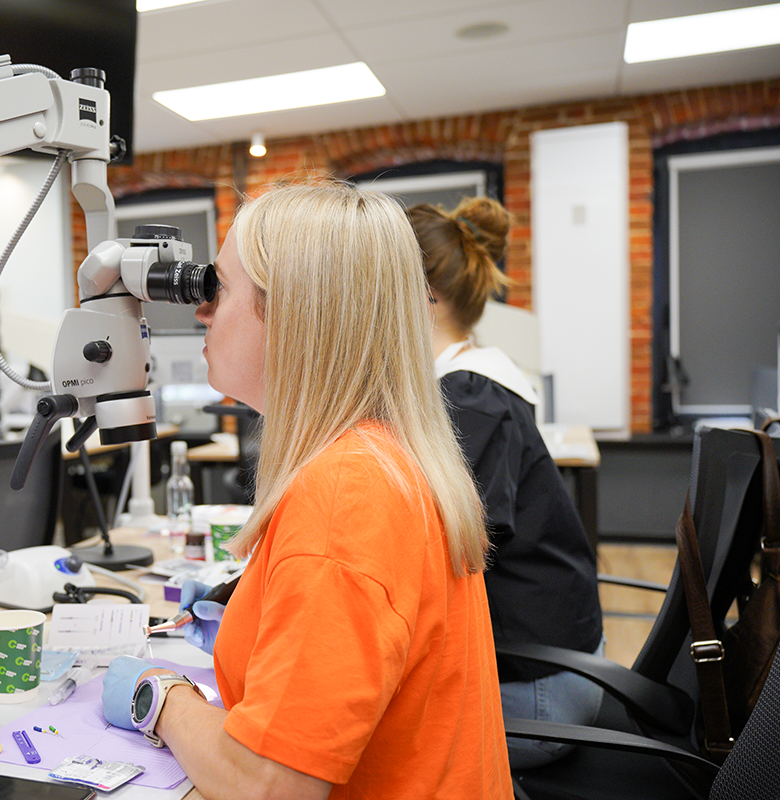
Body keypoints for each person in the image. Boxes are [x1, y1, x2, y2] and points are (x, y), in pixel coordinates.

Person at [102, 182, 513, 799]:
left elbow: (266, 787)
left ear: (293, 314)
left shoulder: (344, 497)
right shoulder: (381, 454)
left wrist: (161, 697)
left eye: (220, 288)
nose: (201, 311)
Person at [407, 197, 604, 769]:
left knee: (355, 741)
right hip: (549, 664)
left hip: (539, 694)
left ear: (422, 294)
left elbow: (446, 549)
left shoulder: (471, 399)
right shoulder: (469, 384)